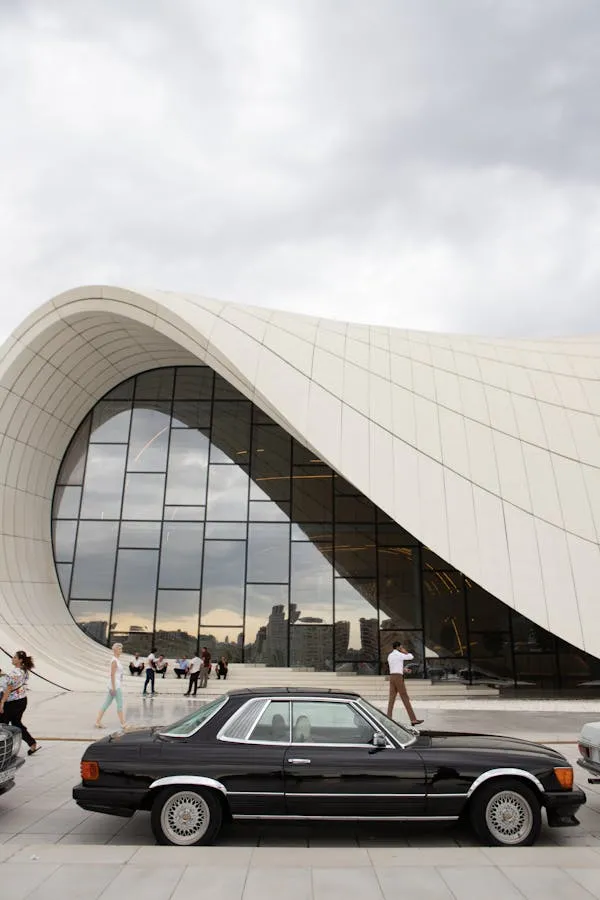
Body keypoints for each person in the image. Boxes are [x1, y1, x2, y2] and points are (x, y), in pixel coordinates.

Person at [0, 650, 40, 755]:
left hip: (12, 702)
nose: (12, 659)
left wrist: (2, 702)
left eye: (14, 657)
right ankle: (32, 743)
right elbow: (11, 680)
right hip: (21, 700)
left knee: (2, 725)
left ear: (20, 660)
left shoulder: (14, 672)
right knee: (16, 724)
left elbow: (8, 688)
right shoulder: (24, 670)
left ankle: (4, 750)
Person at [386, 641, 424, 726]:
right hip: (398, 678)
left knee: (391, 699)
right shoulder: (399, 654)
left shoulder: (390, 656)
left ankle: (388, 718)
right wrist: (404, 651)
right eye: (401, 647)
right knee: (405, 697)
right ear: (398, 647)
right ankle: (413, 719)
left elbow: (395, 667)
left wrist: (404, 670)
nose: (402, 648)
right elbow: (411, 657)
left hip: (392, 677)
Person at [95, 643, 127, 730]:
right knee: (120, 704)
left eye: (121, 649)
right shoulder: (114, 661)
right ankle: (123, 724)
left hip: (116, 684)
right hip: (115, 685)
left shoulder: (117, 660)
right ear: (115, 650)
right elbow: (112, 675)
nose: (121, 650)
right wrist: (113, 688)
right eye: (120, 649)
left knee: (106, 703)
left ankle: (97, 722)